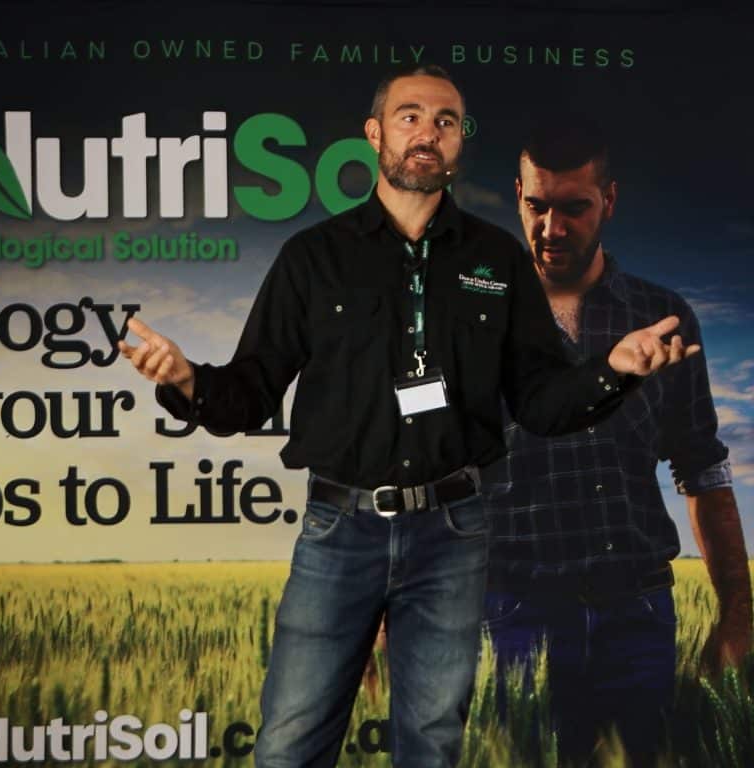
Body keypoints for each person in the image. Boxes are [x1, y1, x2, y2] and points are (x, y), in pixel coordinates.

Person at [119, 67, 697, 768]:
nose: (428, 132)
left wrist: (615, 369)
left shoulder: (495, 260)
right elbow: (250, 393)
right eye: (410, 116)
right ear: (376, 135)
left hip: (453, 535)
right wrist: (186, 381)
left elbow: (542, 404)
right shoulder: (314, 258)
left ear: (459, 146)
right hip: (340, 532)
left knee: (431, 745)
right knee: (289, 743)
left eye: (446, 121)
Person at [482, 115, 752, 765]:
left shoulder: (661, 317)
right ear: (516, 194)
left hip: (638, 616)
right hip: (514, 616)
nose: (552, 229)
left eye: (574, 208)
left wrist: (739, 615)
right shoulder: (473, 316)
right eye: (536, 206)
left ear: (609, 200)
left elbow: (704, 470)